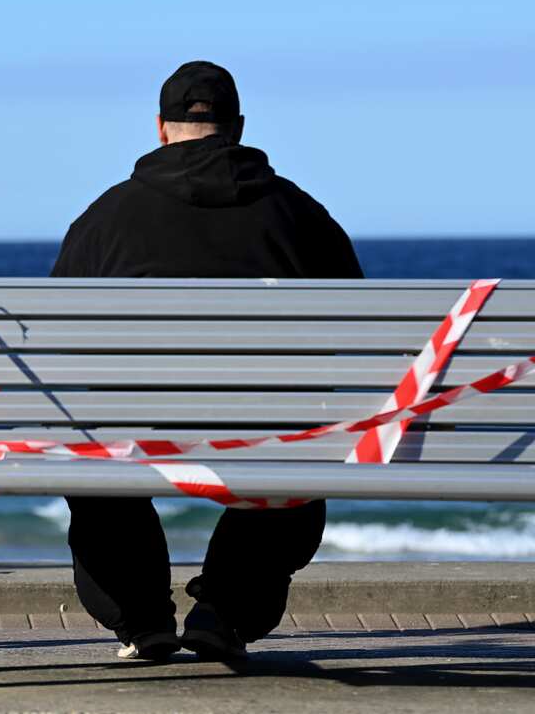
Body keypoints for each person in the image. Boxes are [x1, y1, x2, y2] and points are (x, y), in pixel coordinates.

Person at [50, 61, 363, 662]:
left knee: (92, 473)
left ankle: (143, 620)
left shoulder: (104, 219)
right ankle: (224, 610)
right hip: (267, 429)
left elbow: (57, 346)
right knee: (297, 467)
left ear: (160, 130)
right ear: (237, 128)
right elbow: (358, 329)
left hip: (131, 430)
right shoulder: (300, 214)